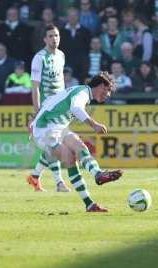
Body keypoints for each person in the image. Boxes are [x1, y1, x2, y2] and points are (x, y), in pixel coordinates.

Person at [30, 72, 122, 213]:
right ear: (102, 86)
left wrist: (34, 120)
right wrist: (94, 124)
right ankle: (89, 203)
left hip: (56, 128)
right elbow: (76, 108)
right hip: (45, 130)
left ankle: (98, 174)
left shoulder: (79, 90)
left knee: (79, 146)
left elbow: (49, 102)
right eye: (108, 90)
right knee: (69, 157)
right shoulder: (83, 92)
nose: (108, 95)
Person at [27, 24, 70, 193]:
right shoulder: (39, 58)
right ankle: (59, 183)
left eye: (57, 35)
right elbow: (35, 86)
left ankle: (35, 176)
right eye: (51, 36)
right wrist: (37, 110)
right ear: (45, 39)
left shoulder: (61, 56)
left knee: (52, 146)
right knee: (54, 145)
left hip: (60, 108)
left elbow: (61, 82)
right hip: (46, 109)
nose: (54, 39)